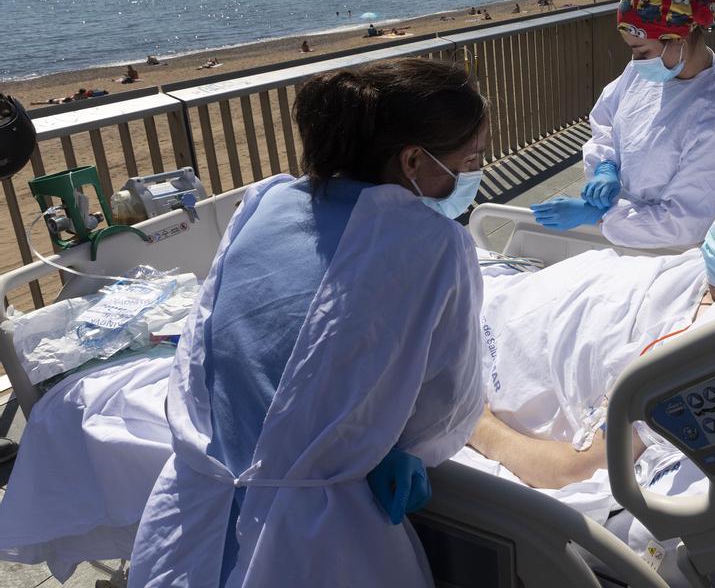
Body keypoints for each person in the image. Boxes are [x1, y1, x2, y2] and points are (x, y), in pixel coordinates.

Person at [127, 60, 490, 588]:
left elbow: (217, 338)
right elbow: (448, 398)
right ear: (413, 159)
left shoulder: (265, 201)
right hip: (313, 542)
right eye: (472, 158)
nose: (475, 172)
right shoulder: (438, 245)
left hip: (186, 515)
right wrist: (410, 448)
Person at [472, 179, 715, 490]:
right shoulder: (704, 273)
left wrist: (475, 422)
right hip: (511, 297)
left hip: (488, 346)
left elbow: (571, 470)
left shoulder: (699, 362)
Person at [531, 0, 715, 248]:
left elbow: (687, 221)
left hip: (669, 251)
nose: (636, 61)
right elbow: (607, 120)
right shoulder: (651, 70)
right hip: (621, 234)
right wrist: (606, 166)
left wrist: (601, 216)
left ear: (679, 37)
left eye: (643, 51)